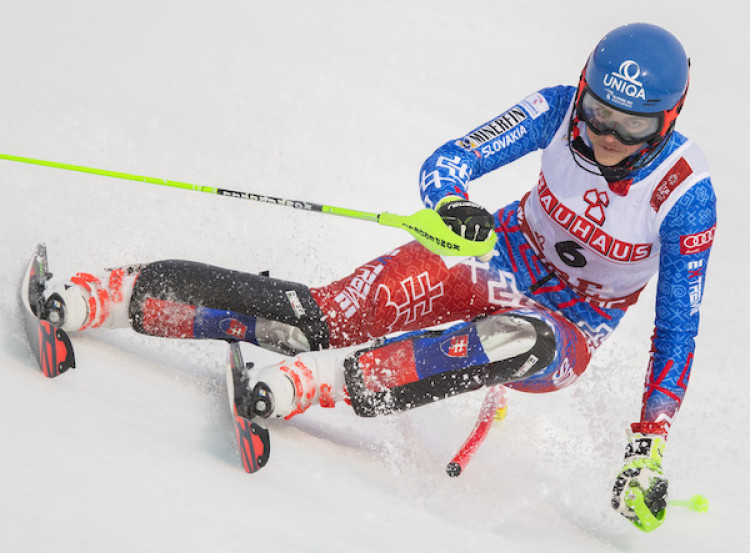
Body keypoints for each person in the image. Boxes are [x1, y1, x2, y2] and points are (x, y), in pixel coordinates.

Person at [41, 22, 715, 530]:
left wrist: (647, 444)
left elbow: (676, 329)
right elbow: (451, 159)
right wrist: (454, 206)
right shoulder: (558, 107)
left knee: (524, 340)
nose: (606, 136)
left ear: (667, 121)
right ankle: (113, 294)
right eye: (600, 112)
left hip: (567, 328)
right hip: (494, 259)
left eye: (631, 126)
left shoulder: (685, 195)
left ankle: (322, 385)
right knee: (320, 317)